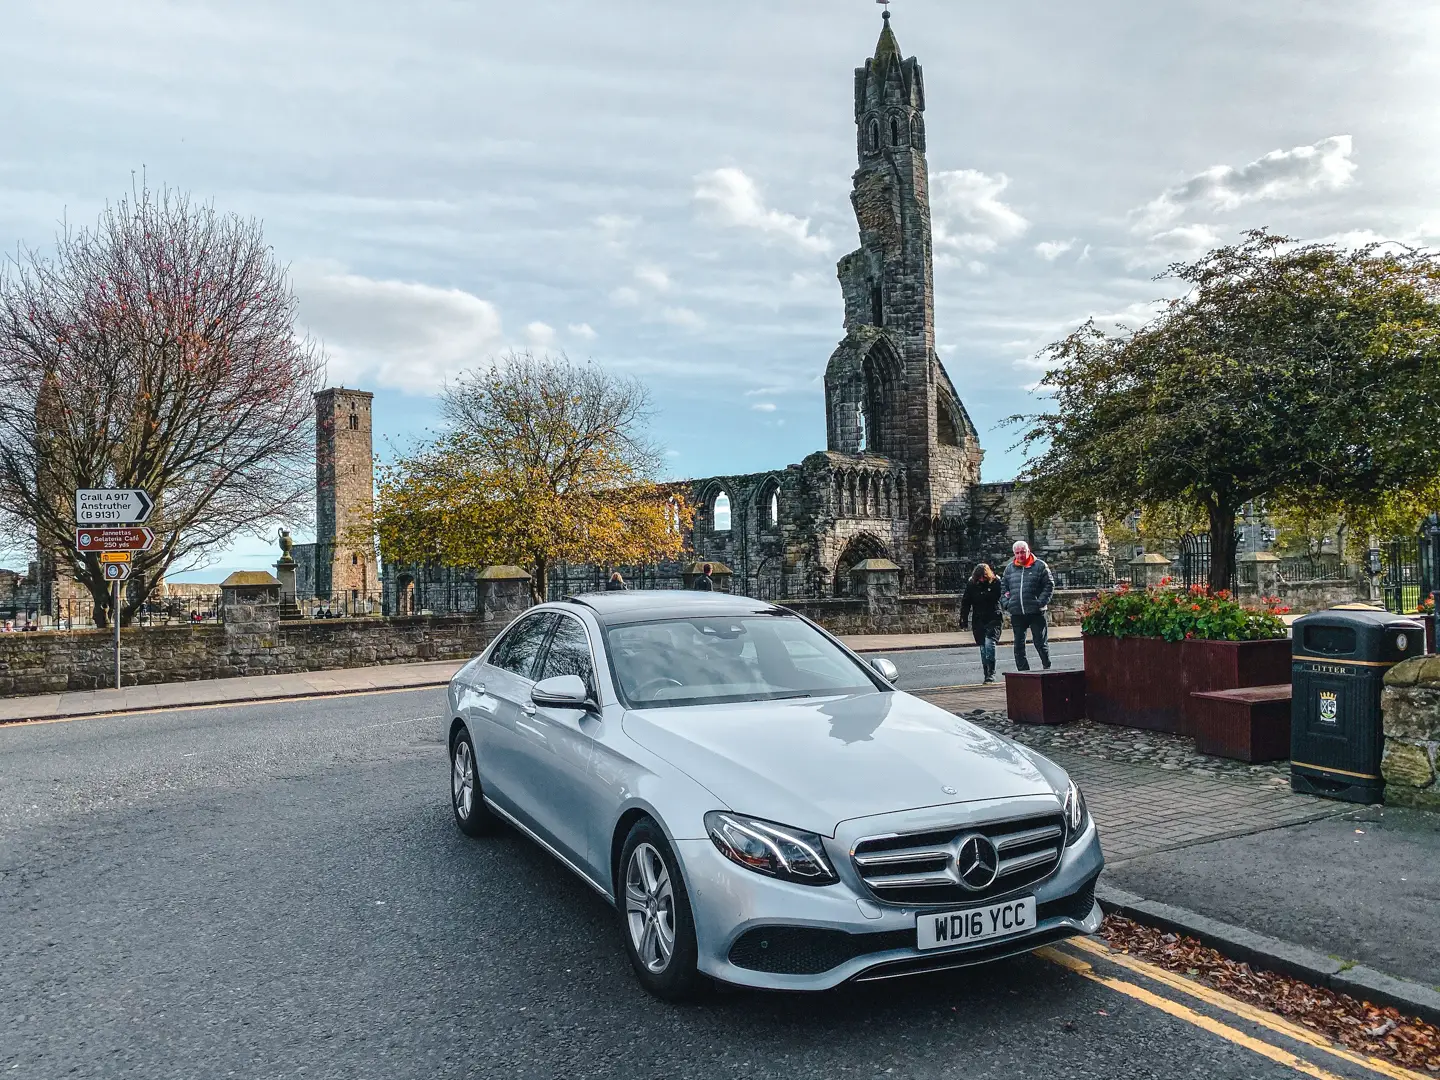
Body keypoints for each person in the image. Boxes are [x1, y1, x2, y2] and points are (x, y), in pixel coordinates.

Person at [1001, 540, 1054, 671]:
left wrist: (1040, 602)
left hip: (1036, 612)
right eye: (1017, 553)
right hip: (1017, 612)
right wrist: (1007, 604)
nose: (1020, 555)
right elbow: (1003, 587)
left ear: (1028, 551)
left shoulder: (1040, 566)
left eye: (1022, 552)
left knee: (1040, 643)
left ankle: (1046, 666)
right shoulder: (1009, 568)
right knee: (1018, 644)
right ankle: (1023, 672)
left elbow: (1049, 585)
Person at [959, 563, 1004, 683]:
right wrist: (963, 619)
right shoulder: (971, 585)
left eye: (984, 577)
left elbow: (999, 597)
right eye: (979, 577)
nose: (982, 579)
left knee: (990, 644)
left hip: (993, 617)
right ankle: (986, 673)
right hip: (978, 619)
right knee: (983, 648)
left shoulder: (996, 583)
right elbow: (966, 602)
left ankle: (991, 673)